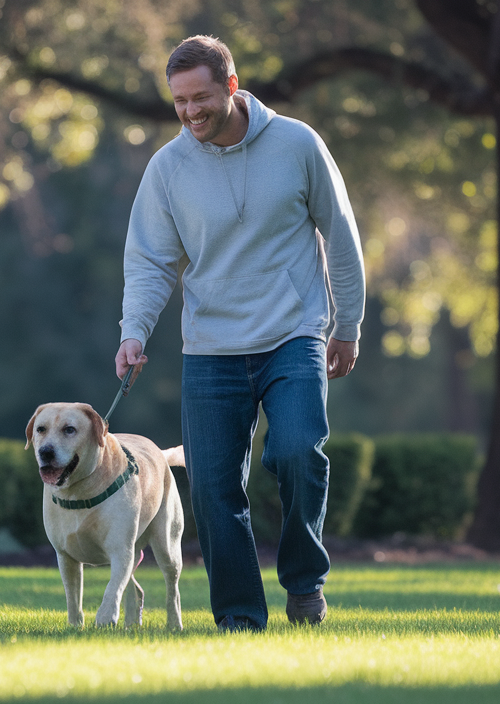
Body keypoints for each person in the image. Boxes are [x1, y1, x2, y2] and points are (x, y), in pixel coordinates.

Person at [115, 35, 365, 632]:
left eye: (200, 97)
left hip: (293, 332)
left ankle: (304, 582)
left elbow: (342, 236)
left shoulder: (297, 144)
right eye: (178, 100)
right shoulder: (168, 169)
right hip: (211, 348)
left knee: (300, 450)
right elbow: (150, 261)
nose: (189, 111)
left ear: (231, 86)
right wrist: (134, 332)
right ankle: (239, 621)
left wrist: (348, 326)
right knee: (213, 491)